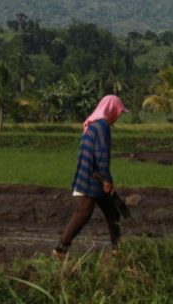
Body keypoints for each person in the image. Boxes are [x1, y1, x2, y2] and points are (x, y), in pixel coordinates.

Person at [53, 94, 125, 257]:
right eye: (119, 111)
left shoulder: (92, 124)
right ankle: (60, 249)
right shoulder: (103, 126)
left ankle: (118, 251)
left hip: (89, 173)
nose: (119, 115)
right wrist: (107, 179)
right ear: (111, 109)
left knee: (113, 213)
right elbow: (101, 155)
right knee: (83, 213)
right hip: (93, 177)